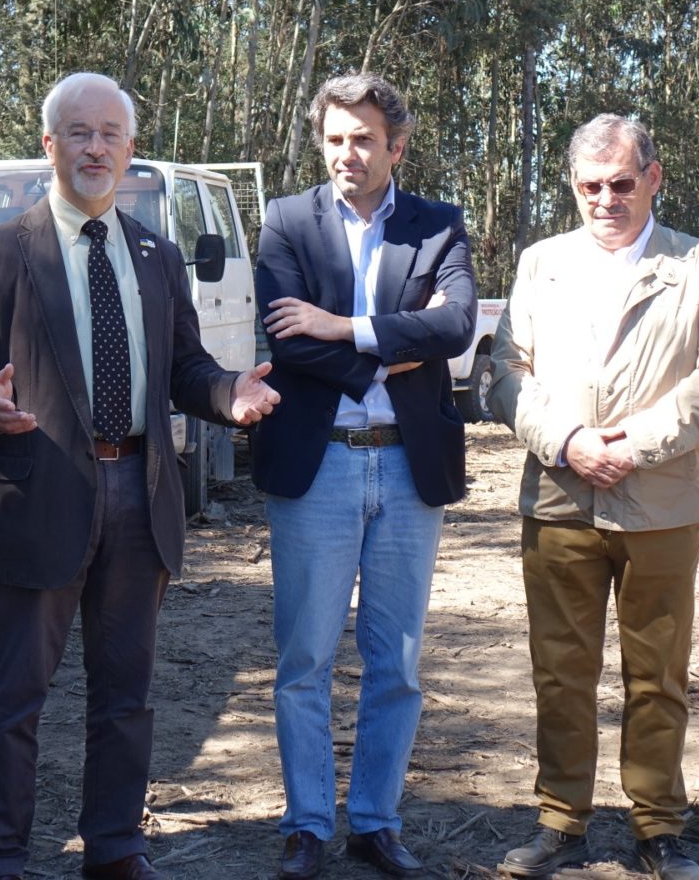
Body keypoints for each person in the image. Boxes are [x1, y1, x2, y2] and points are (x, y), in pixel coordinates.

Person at [0, 71, 279, 880]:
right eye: (78, 133)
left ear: (128, 149)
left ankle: (116, 847)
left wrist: (230, 394)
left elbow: (187, 367)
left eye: (110, 135)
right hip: (39, 496)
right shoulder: (1, 251)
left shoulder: (156, 257)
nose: (95, 148)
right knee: (16, 698)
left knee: (126, 696)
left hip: (139, 496)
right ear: (51, 144)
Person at [486, 115, 699, 880]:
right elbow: (507, 372)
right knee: (561, 669)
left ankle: (657, 826)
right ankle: (560, 818)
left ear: (654, 179)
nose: (606, 200)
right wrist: (567, 442)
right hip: (560, 500)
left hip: (662, 503)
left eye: (622, 184)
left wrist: (636, 444)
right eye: (589, 186)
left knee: (658, 673)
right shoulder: (542, 264)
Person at [251, 73, 477, 880]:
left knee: (399, 664)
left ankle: (376, 823)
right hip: (318, 470)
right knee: (304, 659)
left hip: (407, 469)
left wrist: (344, 326)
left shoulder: (439, 226)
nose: (348, 153)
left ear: (396, 146)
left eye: (364, 139)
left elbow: (453, 327)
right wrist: (384, 350)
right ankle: (307, 823)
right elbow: (284, 339)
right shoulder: (285, 222)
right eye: (335, 139)